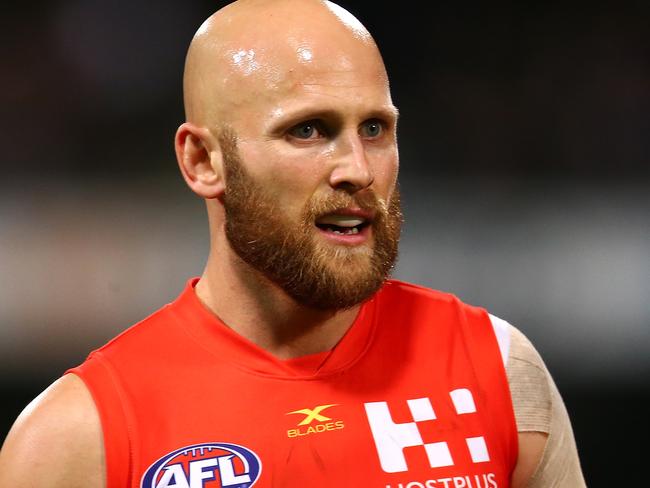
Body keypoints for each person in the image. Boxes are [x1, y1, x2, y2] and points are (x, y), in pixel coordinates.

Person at [0, 1, 586, 486]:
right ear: (203, 161)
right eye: (308, 130)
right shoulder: (79, 440)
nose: (357, 168)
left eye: (375, 129)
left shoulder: (497, 371)